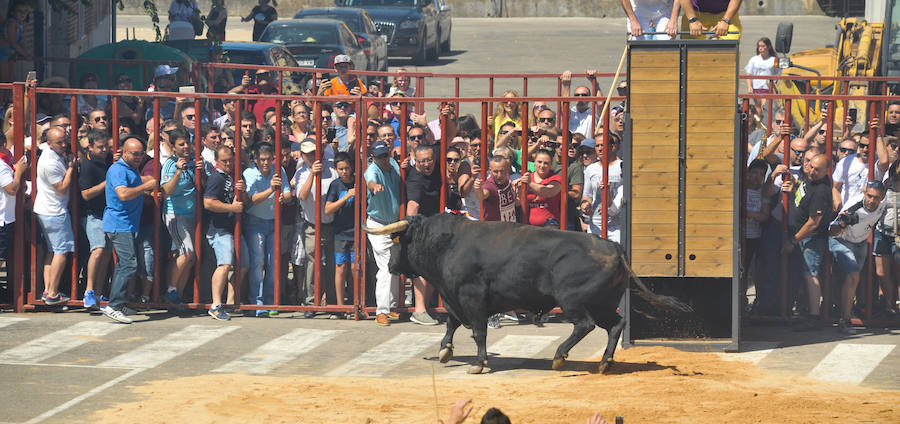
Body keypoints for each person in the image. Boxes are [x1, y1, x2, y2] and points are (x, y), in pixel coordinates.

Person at [102, 138, 159, 323]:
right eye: (134, 153)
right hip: (119, 224)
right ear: (124, 152)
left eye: (141, 154)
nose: (138, 157)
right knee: (128, 264)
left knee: (125, 264)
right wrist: (145, 187)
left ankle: (119, 303)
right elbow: (123, 194)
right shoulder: (118, 169)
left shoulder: (130, 169)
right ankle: (114, 305)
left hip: (127, 224)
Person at [829, 181, 886, 334]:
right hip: (842, 240)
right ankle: (845, 320)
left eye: (876, 198)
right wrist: (842, 223)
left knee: (852, 280)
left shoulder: (883, 203)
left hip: (860, 242)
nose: (872, 201)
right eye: (869, 196)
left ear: (882, 198)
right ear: (864, 192)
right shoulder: (854, 206)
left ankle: (844, 312)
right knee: (853, 276)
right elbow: (831, 231)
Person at [783, 154, 832, 331]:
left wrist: (794, 240)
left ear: (826, 171)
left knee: (811, 274)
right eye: (811, 166)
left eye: (817, 170)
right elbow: (804, 197)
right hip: (802, 236)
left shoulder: (821, 190)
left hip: (811, 238)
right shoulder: (810, 180)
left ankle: (814, 316)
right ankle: (806, 311)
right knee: (806, 274)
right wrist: (795, 188)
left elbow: (813, 223)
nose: (812, 171)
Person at [243, 142, 291, 316]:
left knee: (272, 264)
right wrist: (272, 189)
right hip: (255, 222)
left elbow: (287, 192)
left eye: (268, 159)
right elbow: (252, 199)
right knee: (258, 262)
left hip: (274, 222)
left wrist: (284, 198)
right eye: (262, 159)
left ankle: (271, 301)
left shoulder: (279, 172)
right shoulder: (249, 173)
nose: (265, 163)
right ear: (256, 160)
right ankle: (257, 302)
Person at [203, 146, 248, 321]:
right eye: (224, 161)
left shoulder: (234, 175)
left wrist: (242, 191)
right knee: (224, 265)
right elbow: (208, 203)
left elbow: (244, 202)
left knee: (243, 265)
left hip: (234, 228)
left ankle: (229, 301)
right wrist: (231, 207)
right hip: (220, 229)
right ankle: (215, 305)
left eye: (231, 160)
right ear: (217, 161)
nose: (228, 163)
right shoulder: (216, 178)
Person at [160, 128, 204, 306]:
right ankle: (170, 290)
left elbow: (202, 188)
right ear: (173, 146)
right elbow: (165, 191)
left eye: (187, 142)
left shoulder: (195, 162)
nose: (186, 146)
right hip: (175, 213)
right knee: (187, 253)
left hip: (192, 215)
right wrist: (178, 171)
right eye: (181, 144)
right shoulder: (170, 164)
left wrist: (203, 172)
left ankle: (176, 295)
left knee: (189, 256)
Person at [294, 139, 338, 317]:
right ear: (302, 156)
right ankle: (311, 302)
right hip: (312, 225)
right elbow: (303, 196)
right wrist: (312, 174)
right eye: (307, 154)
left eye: (314, 152)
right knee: (313, 263)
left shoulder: (332, 169)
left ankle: (333, 302)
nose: (311, 156)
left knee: (333, 264)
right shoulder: (301, 173)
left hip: (333, 224)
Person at [34, 128, 76, 305]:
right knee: (61, 252)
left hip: (46, 209)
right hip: (54, 211)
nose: (64, 145)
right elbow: (61, 187)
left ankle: (47, 290)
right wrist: (71, 168)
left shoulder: (47, 151)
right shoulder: (49, 162)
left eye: (65, 140)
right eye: (59, 142)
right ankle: (52, 293)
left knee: (52, 250)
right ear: (50, 143)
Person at [364, 141, 402, 326]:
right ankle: (382, 311)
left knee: (394, 266)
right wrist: (374, 187)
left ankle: (392, 307)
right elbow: (370, 181)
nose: (384, 160)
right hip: (379, 225)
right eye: (379, 157)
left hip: (394, 224)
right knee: (386, 267)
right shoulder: (372, 170)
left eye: (385, 155)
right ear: (373, 158)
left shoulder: (393, 164)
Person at [79, 130, 113, 310]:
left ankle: (99, 294)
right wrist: (105, 184)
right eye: (100, 147)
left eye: (106, 146)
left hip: (106, 213)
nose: (104, 150)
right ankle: (89, 291)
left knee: (107, 253)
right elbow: (85, 194)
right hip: (92, 215)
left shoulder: (106, 162)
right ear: (90, 147)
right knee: (98, 249)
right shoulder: (87, 165)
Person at [325, 152, 356, 318]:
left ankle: (355, 303)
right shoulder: (335, 185)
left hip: (356, 233)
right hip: (340, 233)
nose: (344, 172)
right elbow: (328, 209)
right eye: (341, 169)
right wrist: (347, 197)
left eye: (347, 168)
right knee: (340, 268)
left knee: (355, 269)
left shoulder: (359, 182)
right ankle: (340, 306)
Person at [582, 134, 624, 240]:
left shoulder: (622, 166)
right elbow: (587, 195)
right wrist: (585, 205)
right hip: (595, 225)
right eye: (597, 146)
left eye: (603, 145)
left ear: (612, 146)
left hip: (617, 226)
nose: (600, 148)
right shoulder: (591, 169)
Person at [743, 158, 769, 312]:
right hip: (742, 237)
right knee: (743, 271)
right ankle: (742, 300)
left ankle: (759, 303)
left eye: (761, 174)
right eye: (754, 173)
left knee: (758, 271)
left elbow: (764, 216)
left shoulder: (763, 192)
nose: (757, 177)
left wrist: (748, 213)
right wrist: (755, 215)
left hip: (755, 237)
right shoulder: (741, 189)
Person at [0, 131, 27, 272]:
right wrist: (18, 173)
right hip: (3, 220)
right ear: (4, 144)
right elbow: (11, 189)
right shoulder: (1, 166)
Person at [523, 149, 563, 227]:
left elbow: (548, 192)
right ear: (534, 162)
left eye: (546, 163)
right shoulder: (527, 178)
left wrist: (530, 184)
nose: (542, 166)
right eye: (539, 162)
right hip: (529, 228)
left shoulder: (556, 179)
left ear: (551, 164)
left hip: (550, 227)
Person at [0, 2, 32, 85]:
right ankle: (2, 98)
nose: (23, 14)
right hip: (3, 51)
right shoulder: (12, 23)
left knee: (11, 79)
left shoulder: (21, 24)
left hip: (10, 53)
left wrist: (25, 52)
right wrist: (25, 54)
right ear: (12, 12)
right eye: (19, 11)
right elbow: (12, 42)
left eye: (25, 11)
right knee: (4, 79)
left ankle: (6, 98)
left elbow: (22, 41)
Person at [744, 37, 778, 111]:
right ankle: (759, 122)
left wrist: (775, 85)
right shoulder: (753, 59)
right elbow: (748, 73)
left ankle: (766, 121)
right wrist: (749, 86)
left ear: (768, 47)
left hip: (767, 88)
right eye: (759, 46)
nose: (760, 48)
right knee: (758, 109)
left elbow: (778, 74)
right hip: (756, 87)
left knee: (764, 106)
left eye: (763, 46)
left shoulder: (774, 60)